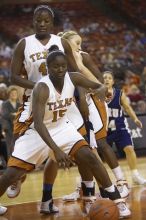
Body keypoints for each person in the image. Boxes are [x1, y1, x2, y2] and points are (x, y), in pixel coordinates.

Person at [0, 48, 131, 218]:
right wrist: (57, 150)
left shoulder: (73, 77)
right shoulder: (42, 88)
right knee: (11, 175)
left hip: (63, 126)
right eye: (56, 67)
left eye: (63, 66)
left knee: (90, 156)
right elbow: (39, 124)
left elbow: (98, 85)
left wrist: (99, 89)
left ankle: (117, 200)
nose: (60, 70)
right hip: (37, 133)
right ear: (48, 68)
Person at [6, 4, 86, 198]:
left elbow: (74, 72)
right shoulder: (24, 44)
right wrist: (41, 88)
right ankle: (17, 178)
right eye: (38, 21)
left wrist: (82, 94)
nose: (42, 24)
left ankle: (54, 197)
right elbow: (14, 78)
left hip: (61, 102)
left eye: (46, 21)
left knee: (74, 151)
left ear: (52, 23)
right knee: (20, 145)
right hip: (33, 102)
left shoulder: (62, 43)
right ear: (33, 22)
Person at [57, 31, 129, 201]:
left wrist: (89, 86)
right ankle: (85, 187)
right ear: (65, 44)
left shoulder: (83, 56)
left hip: (92, 103)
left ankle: (121, 182)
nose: (80, 46)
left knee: (101, 143)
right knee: (83, 149)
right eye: (76, 43)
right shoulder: (59, 61)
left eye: (80, 43)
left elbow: (99, 82)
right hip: (71, 108)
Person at [103, 70, 146, 185]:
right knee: (100, 155)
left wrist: (135, 118)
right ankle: (101, 180)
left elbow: (127, 108)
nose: (106, 79)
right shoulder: (97, 94)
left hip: (120, 127)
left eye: (109, 78)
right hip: (104, 130)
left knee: (129, 149)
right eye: (104, 78)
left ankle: (135, 175)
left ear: (112, 82)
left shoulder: (119, 93)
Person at [1, 86, 21, 157]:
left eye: (15, 93)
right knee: (10, 147)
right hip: (8, 128)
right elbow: (5, 114)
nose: (14, 95)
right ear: (9, 94)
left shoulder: (19, 104)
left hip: (18, 128)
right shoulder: (5, 104)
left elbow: (21, 115)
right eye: (12, 93)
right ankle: (11, 166)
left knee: (18, 147)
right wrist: (15, 114)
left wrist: (13, 114)